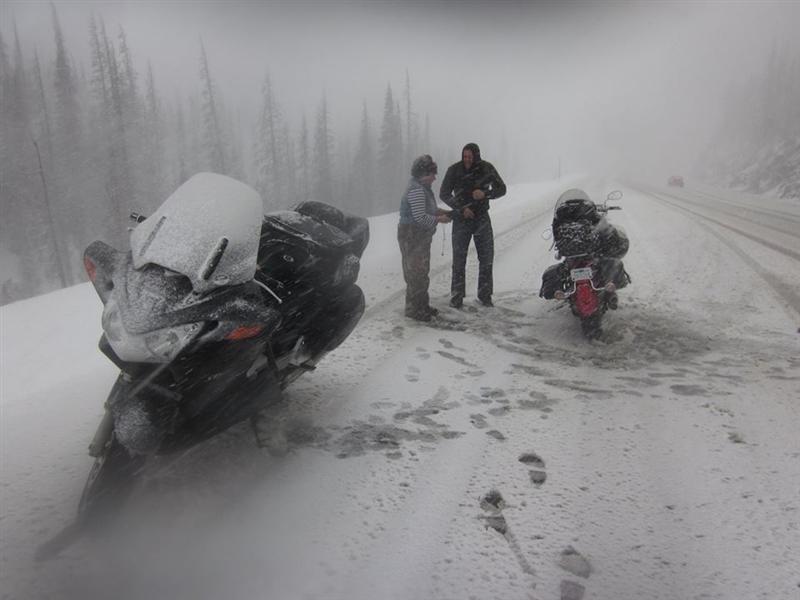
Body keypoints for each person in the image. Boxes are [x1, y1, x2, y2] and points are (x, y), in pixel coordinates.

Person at [439, 142, 506, 308]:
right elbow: (444, 193)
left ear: (476, 156)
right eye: (464, 156)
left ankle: (485, 296)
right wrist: (462, 209)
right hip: (462, 220)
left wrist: (486, 193)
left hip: (481, 218)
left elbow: (502, 189)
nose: (467, 160)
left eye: (470, 157)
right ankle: (457, 297)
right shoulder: (454, 170)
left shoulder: (486, 168)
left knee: (486, 258)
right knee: (459, 259)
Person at [398, 154, 452, 321]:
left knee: (421, 272)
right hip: (412, 236)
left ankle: (422, 306)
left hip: (419, 237)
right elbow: (420, 218)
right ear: (423, 173)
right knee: (415, 273)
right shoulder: (416, 190)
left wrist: (442, 212)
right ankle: (414, 310)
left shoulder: (423, 188)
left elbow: (429, 209)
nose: (434, 178)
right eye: (432, 174)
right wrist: (439, 219)